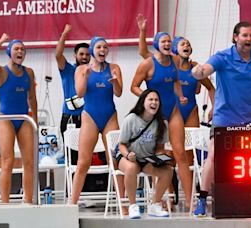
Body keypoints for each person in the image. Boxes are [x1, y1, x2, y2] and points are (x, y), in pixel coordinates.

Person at [191, 21, 251, 216]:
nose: (249, 39)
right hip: (225, 118)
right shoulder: (223, 57)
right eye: (244, 35)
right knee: (214, 156)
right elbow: (205, 70)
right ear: (235, 37)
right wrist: (198, 71)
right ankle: (202, 199)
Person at [131, 31, 193, 208]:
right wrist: (147, 97)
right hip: (154, 114)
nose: (167, 44)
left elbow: (176, 81)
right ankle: (158, 201)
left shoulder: (175, 61)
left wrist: (180, 96)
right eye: (164, 41)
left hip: (173, 110)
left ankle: (190, 200)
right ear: (157, 44)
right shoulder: (147, 64)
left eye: (169, 41)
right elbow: (133, 86)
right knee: (157, 157)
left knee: (181, 154)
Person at [0, 34, 38, 203]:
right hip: (6, 118)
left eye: (23, 49)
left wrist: (35, 120)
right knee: (7, 161)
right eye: (16, 49)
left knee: (29, 162)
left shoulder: (28, 72)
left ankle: (28, 201)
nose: (20, 51)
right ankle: (5, 203)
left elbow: (32, 98)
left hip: (24, 119)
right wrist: (0, 41)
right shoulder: (1, 72)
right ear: (9, 52)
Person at [137, 14, 215, 125]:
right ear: (175, 49)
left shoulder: (195, 68)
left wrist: (214, 108)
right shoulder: (168, 63)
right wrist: (142, 31)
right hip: (171, 110)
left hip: (190, 110)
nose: (186, 46)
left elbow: (210, 88)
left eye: (188, 44)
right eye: (182, 44)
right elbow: (143, 52)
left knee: (192, 142)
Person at [71, 36, 123, 204]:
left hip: (110, 116)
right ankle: (72, 203)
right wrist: (85, 76)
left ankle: (122, 203)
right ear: (93, 49)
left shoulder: (114, 67)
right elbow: (80, 93)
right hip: (90, 117)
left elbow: (119, 93)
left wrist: (115, 82)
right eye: (99, 47)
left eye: (105, 47)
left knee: (114, 161)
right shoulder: (81, 70)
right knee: (83, 162)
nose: (103, 50)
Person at [117, 89, 173, 219]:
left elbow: (160, 147)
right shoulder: (131, 119)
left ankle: (154, 204)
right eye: (151, 99)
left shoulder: (162, 123)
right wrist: (127, 155)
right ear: (143, 102)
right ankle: (133, 206)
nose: (154, 102)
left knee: (168, 171)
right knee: (131, 168)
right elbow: (122, 145)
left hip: (147, 159)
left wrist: (161, 157)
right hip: (128, 157)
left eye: (156, 100)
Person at [55, 24, 90, 137]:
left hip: (88, 117)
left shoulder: (93, 72)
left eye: (87, 54)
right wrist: (64, 35)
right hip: (69, 117)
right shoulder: (67, 69)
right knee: (70, 154)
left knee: (87, 153)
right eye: (81, 54)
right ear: (75, 55)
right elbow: (58, 55)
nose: (84, 57)